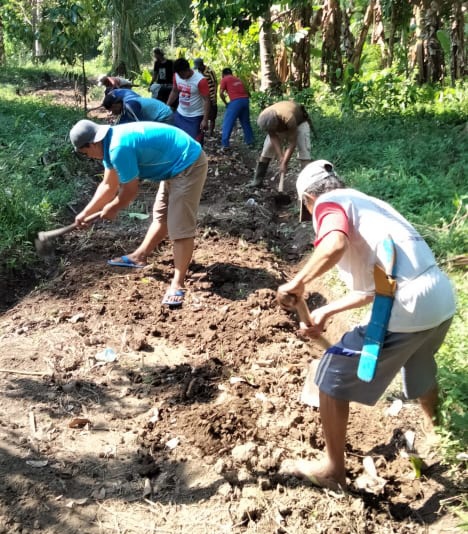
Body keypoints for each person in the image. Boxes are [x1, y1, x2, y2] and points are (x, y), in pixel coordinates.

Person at [277, 160, 456, 490]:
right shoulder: (369, 206)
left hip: (408, 305)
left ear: (309, 200)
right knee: (420, 363)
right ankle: (438, 430)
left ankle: (333, 471)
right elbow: (371, 289)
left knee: (330, 372)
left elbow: (334, 245)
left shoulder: (330, 205)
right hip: (441, 299)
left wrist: (298, 282)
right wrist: (326, 311)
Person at [69, 119, 208, 307]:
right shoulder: (110, 143)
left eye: (86, 153)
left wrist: (113, 207)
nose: (90, 157)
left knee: (179, 225)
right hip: (173, 166)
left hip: (187, 164)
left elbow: (129, 191)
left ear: (92, 143)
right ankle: (139, 256)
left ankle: (177, 283)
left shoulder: (118, 148)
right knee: (161, 216)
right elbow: (108, 185)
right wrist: (85, 213)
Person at [252, 100, 312, 187]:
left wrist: (284, 163)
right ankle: (257, 181)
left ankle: (307, 186)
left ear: (276, 124)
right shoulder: (264, 117)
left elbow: (292, 143)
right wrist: (281, 158)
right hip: (279, 124)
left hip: (299, 123)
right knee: (266, 150)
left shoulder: (288, 118)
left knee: (304, 153)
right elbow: (273, 137)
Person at [166, 58, 210, 145]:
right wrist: (167, 105)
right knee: (178, 140)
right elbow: (175, 91)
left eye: (182, 74)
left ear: (187, 69)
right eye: (178, 74)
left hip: (195, 116)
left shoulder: (200, 80)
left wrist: (205, 120)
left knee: (194, 143)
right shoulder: (176, 76)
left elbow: (207, 100)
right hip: (180, 113)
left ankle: (197, 158)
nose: (180, 76)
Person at [219, 68, 254, 149]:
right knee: (245, 122)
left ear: (223, 74)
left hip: (235, 102)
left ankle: (225, 144)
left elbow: (221, 93)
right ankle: (250, 142)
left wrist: (226, 103)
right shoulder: (238, 79)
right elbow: (247, 92)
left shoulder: (225, 79)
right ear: (231, 73)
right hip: (245, 100)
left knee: (228, 122)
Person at [103, 91, 174, 125]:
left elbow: (139, 127)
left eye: (112, 110)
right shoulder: (124, 107)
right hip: (157, 115)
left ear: (115, 105)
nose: (112, 113)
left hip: (163, 115)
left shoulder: (130, 107)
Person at [193, 58, 218, 137]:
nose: (198, 69)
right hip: (202, 97)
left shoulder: (210, 72)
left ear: (202, 65)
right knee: (203, 114)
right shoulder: (198, 73)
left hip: (210, 96)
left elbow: (215, 83)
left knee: (212, 115)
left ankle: (211, 132)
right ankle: (202, 131)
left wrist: (214, 95)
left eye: (199, 67)